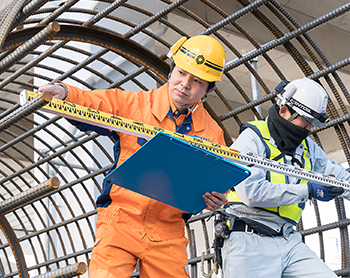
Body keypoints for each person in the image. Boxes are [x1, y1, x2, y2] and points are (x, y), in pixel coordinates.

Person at [38, 35, 227, 278]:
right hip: (120, 220)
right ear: (171, 70)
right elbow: (93, 103)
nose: (185, 84)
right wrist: (64, 92)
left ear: (209, 89)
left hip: (169, 231)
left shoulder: (212, 134)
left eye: (197, 81)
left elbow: (224, 180)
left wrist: (219, 198)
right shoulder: (135, 105)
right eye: (181, 73)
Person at [222, 78, 348, 277]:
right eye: (306, 122)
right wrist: (308, 190)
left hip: (288, 239)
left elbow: (341, 178)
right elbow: (252, 192)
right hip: (248, 239)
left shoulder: (308, 148)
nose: (309, 129)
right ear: (284, 111)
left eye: (313, 124)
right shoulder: (251, 138)